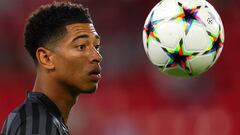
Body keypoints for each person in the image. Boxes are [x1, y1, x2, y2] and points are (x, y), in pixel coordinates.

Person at [1, 1, 102, 135]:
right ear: (46, 58)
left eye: (96, 46)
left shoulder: (35, 118)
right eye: (81, 46)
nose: (97, 56)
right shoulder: (38, 124)